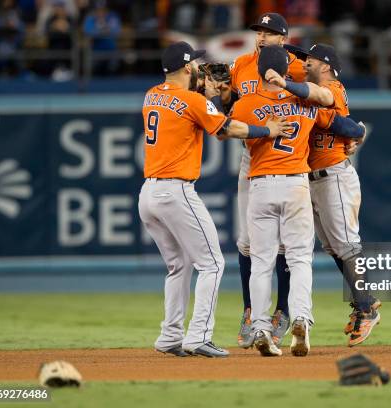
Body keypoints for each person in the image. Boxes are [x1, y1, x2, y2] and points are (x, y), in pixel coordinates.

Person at [139, 41, 292, 358]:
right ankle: (198, 337)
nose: (198, 67)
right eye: (194, 63)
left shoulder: (152, 94)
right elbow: (228, 128)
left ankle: (170, 336)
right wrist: (268, 129)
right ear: (185, 69)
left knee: (178, 266)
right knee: (211, 264)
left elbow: (189, 111)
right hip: (175, 190)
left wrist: (207, 97)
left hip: (148, 195)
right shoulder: (192, 100)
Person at [230, 45, 367, 357]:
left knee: (262, 262)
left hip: (261, 186)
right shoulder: (303, 102)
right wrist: (356, 134)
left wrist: (259, 126)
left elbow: (225, 128)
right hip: (296, 185)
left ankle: (262, 327)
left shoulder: (247, 103)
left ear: (261, 69)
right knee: (300, 260)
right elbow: (340, 124)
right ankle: (301, 320)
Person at [267, 44, 381, 347]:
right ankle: (364, 302)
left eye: (311, 59)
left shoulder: (332, 86)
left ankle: (367, 307)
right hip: (313, 179)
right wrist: (356, 132)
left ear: (327, 65)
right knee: (333, 246)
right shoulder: (312, 91)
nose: (305, 62)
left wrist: (355, 132)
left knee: (346, 243)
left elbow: (324, 104)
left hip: (334, 175)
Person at [229, 12, 307, 349]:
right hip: (253, 157)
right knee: (248, 243)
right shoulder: (241, 64)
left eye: (270, 33)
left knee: (283, 248)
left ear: (284, 38)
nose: (262, 37)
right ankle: (251, 311)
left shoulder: (300, 69)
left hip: (290, 160)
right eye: (259, 31)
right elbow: (228, 104)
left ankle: (282, 311)